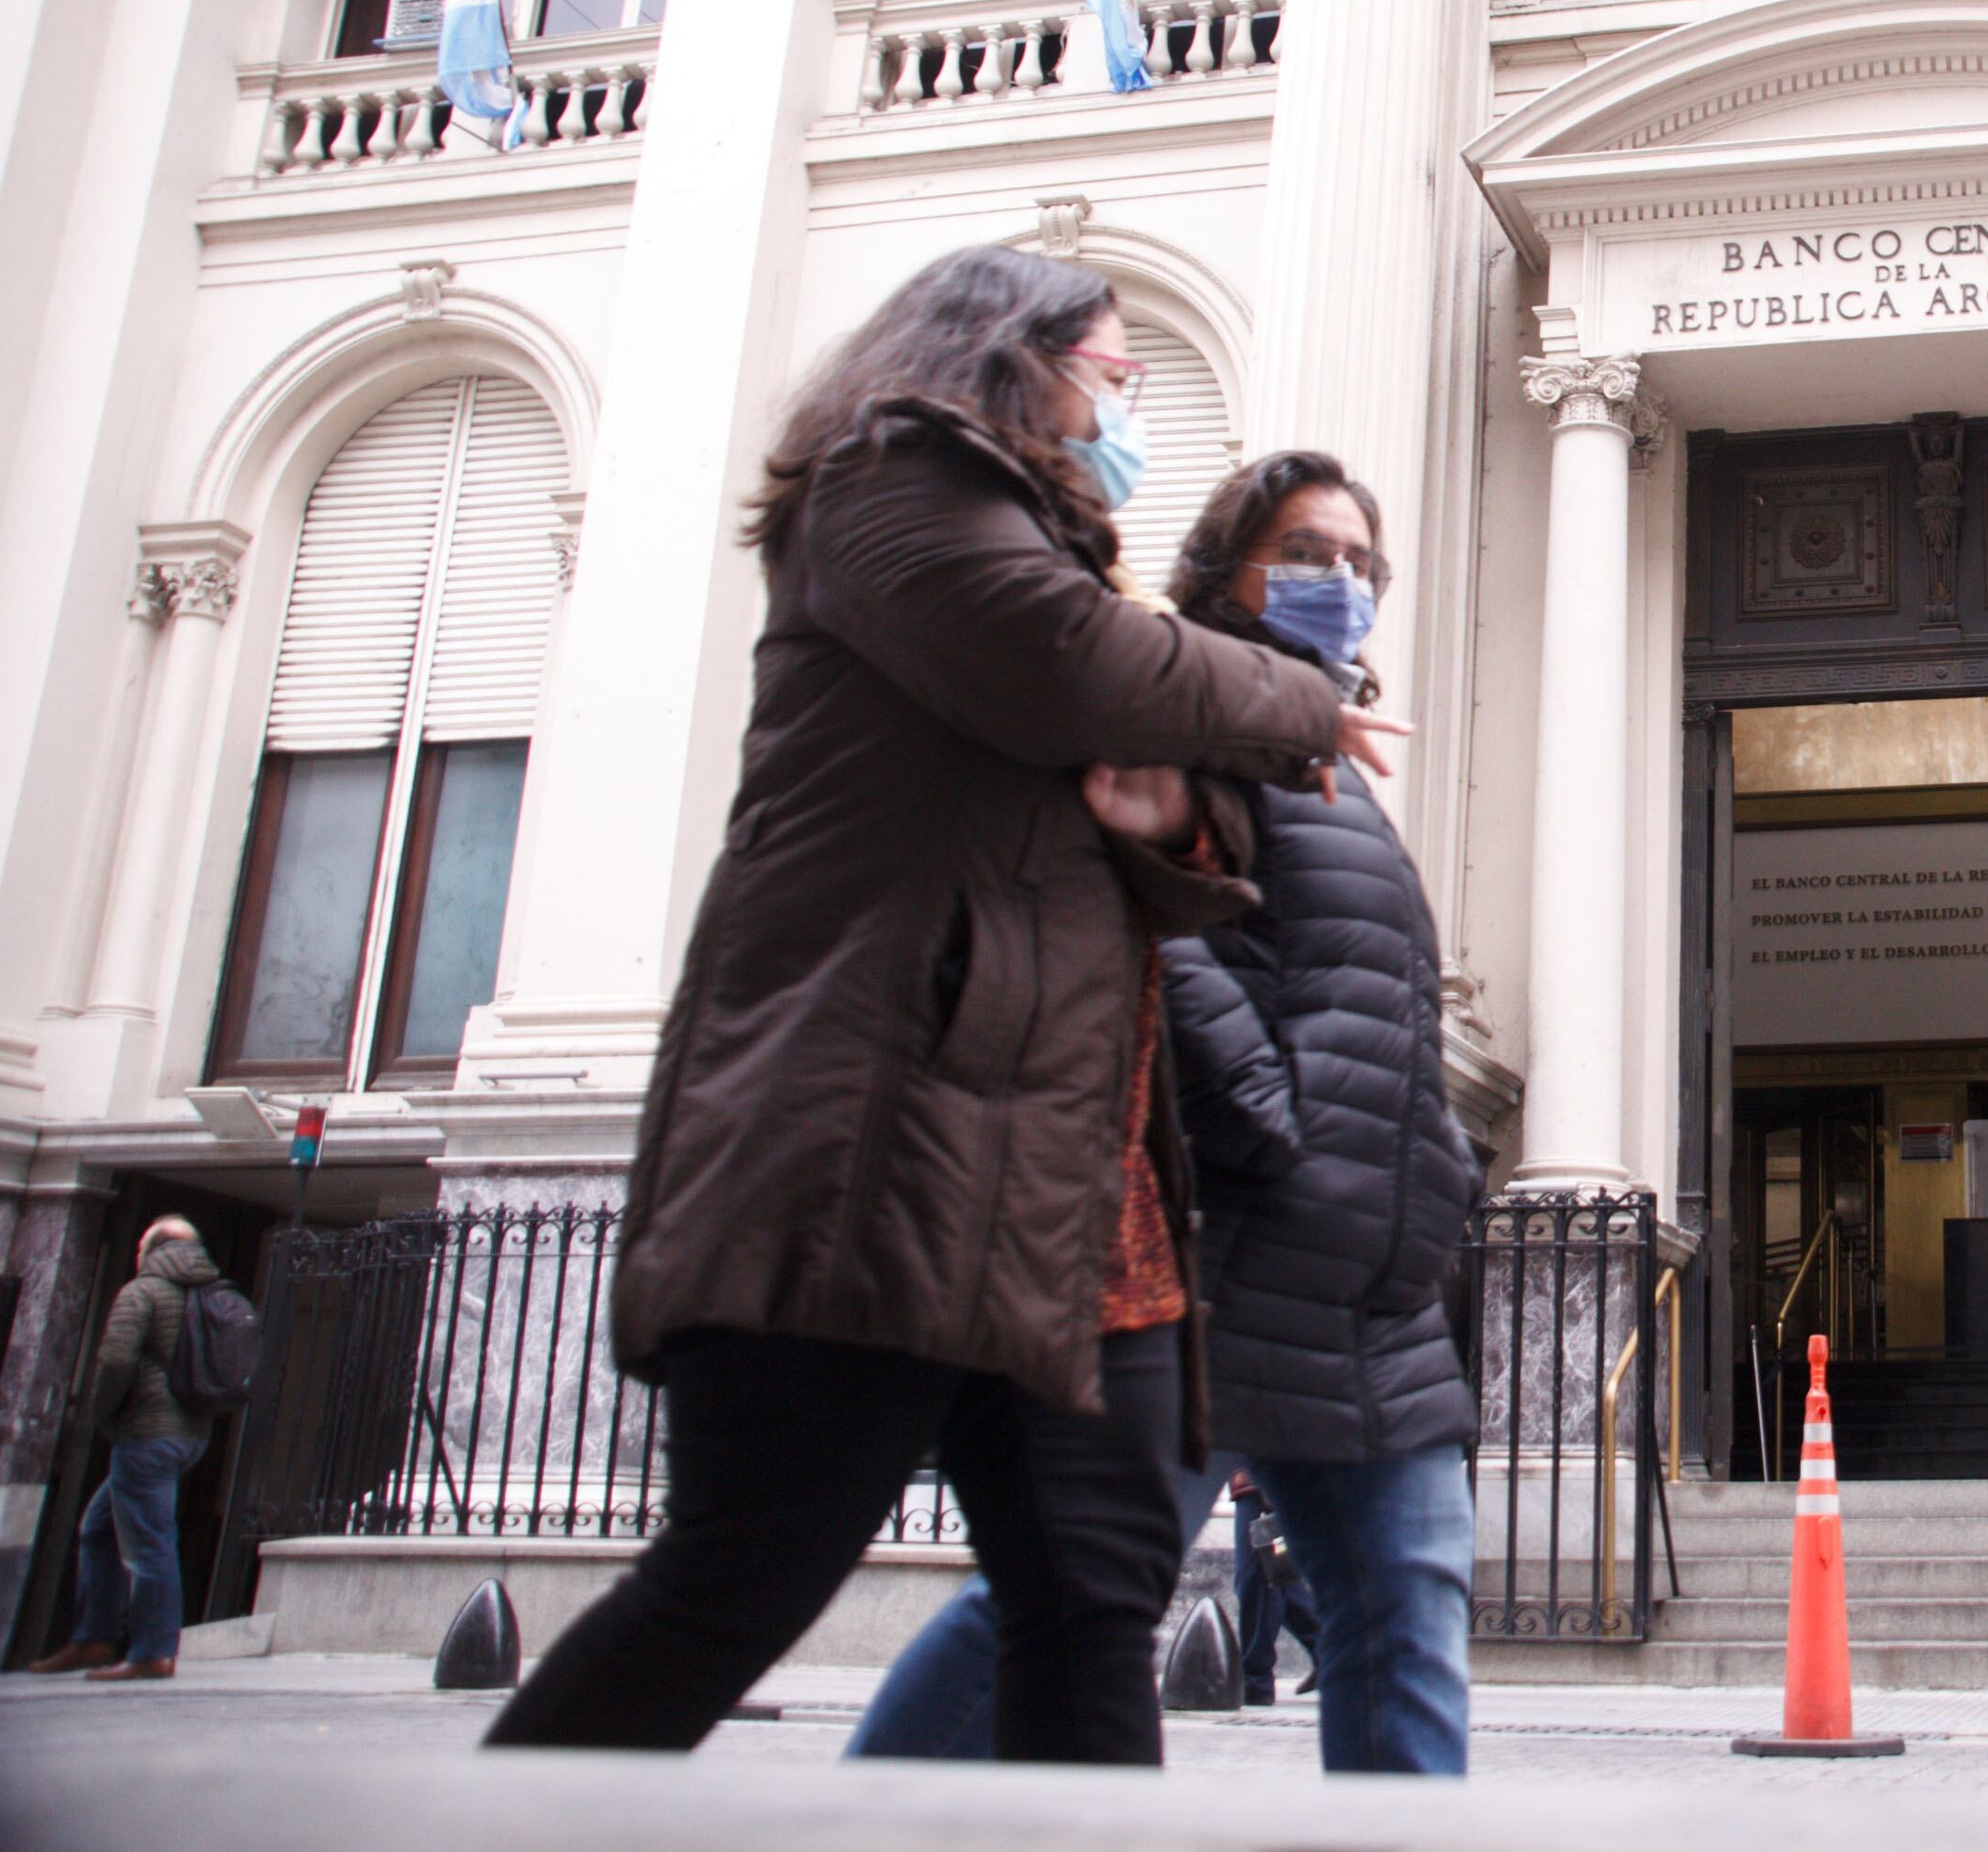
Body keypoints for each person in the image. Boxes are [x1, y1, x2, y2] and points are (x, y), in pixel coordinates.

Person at [486, 247, 1380, 1763]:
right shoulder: (892, 479)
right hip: (876, 1147)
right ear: (1006, 356)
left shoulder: (1038, 549)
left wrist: (1172, 814)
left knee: (1097, 1593)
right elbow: (1072, 668)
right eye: (1113, 370)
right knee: (737, 1580)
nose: (1129, 403)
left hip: (1066, 1187)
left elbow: (1148, 827)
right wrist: (1301, 701)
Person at [1159, 452, 1481, 1777]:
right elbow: (1155, 936)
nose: (1340, 581)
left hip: (1379, 1287)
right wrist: (1264, 1120)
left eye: (1361, 561)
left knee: (1410, 1623)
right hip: (1250, 1259)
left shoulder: (1320, 755)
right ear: (1225, 565)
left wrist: (1440, 1164)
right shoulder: (1196, 719)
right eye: (1304, 550)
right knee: (1067, 1595)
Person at [26, 1218, 222, 1681]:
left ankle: (152, 1650)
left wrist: (103, 1412)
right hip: (190, 1433)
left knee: (150, 1542)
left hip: (147, 1432)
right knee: (99, 1527)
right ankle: (94, 1636)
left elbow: (116, 1358)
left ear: (149, 1250)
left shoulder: (143, 1291)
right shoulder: (209, 1292)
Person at [1229, 1471, 1321, 1707]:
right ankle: (1329, 1651)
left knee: (1257, 1571)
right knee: (1275, 1572)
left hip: (1270, 1466)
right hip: (1252, 1471)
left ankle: (1255, 1679)